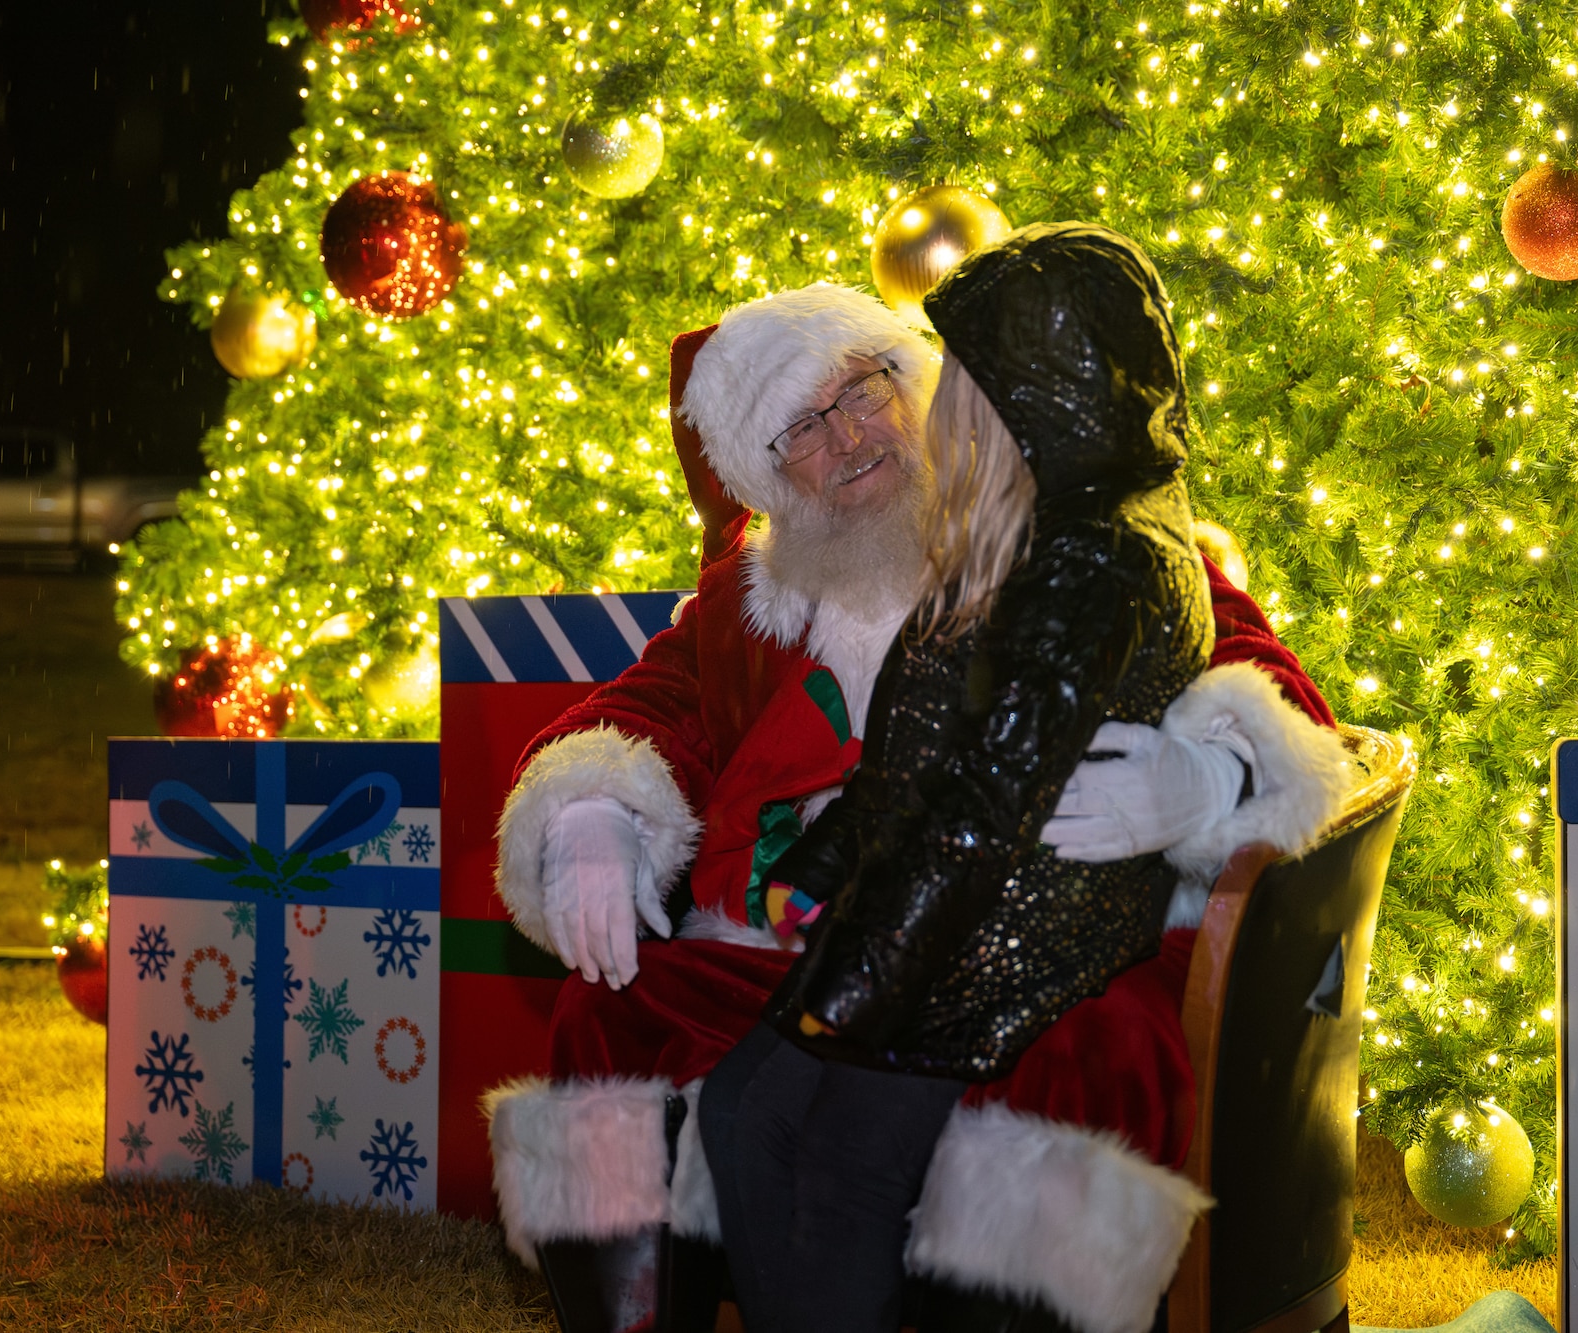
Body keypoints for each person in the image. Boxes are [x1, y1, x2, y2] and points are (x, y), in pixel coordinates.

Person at [487, 279, 1352, 1333]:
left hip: (1056, 937)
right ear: (766, 479)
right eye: (802, 430)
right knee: (620, 1014)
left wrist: (1204, 778)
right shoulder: (750, 602)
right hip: (829, 940)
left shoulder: (1069, 532)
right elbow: (647, 709)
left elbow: (1270, 685)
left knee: (1070, 1062)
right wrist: (589, 811)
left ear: (919, 386)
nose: (848, 437)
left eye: (862, 390)